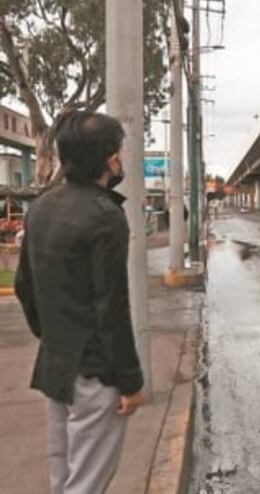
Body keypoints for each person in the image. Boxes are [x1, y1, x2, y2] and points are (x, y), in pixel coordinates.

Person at [15, 110, 144, 493]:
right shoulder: (106, 217)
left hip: (57, 364)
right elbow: (111, 309)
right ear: (109, 159)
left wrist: (54, 335)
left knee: (63, 475)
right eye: (118, 151)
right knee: (86, 482)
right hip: (95, 372)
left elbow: (24, 285)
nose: (120, 159)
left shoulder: (41, 207)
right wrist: (131, 381)